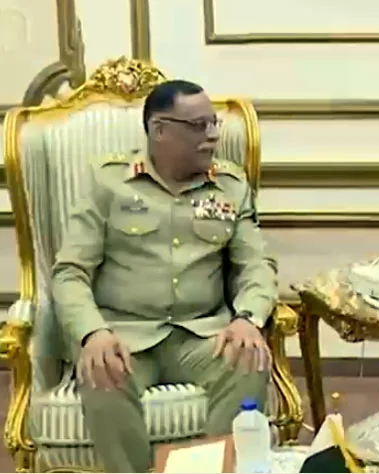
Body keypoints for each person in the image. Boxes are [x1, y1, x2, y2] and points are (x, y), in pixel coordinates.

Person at [52, 80, 278, 472]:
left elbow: (256, 265)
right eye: (198, 125)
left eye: (214, 123)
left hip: (201, 333)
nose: (212, 135)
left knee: (249, 361)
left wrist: (248, 318)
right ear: (160, 130)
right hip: (124, 334)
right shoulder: (109, 182)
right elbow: (70, 271)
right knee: (102, 373)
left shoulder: (230, 186)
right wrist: (92, 333)